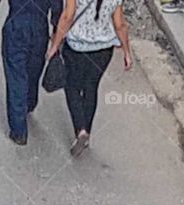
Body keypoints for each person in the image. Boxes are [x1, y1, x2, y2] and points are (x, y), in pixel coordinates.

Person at [46, 0, 132, 157]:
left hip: (77, 48)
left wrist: (54, 45)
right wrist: (127, 52)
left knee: (71, 86)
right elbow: (120, 25)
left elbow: (68, 16)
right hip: (103, 51)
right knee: (91, 88)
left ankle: (81, 129)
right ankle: (86, 132)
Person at [0, 0, 63, 145]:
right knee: (34, 70)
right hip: (40, 28)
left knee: (16, 76)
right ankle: (29, 102)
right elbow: (57, 8)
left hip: (16, 23)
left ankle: (19, 131)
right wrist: (57, 31)